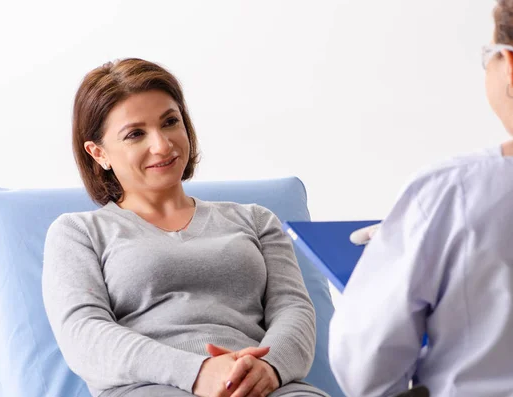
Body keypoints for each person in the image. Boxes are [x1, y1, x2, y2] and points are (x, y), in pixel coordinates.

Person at [329, 0, 513, 396]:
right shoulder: (451, 193)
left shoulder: (452, 191)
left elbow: (365, 365)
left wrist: (406, 252)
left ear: (511, 66)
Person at [41, 58, 328, 397]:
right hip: (150, 388)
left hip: (262, 386)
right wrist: (197, 372)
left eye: (170, 122)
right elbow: (84, 335)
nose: (162, 145)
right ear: (99, 153)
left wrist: (269, 368)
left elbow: (293, 309)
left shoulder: (256, 219)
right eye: (135, 134)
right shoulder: (78, 233)